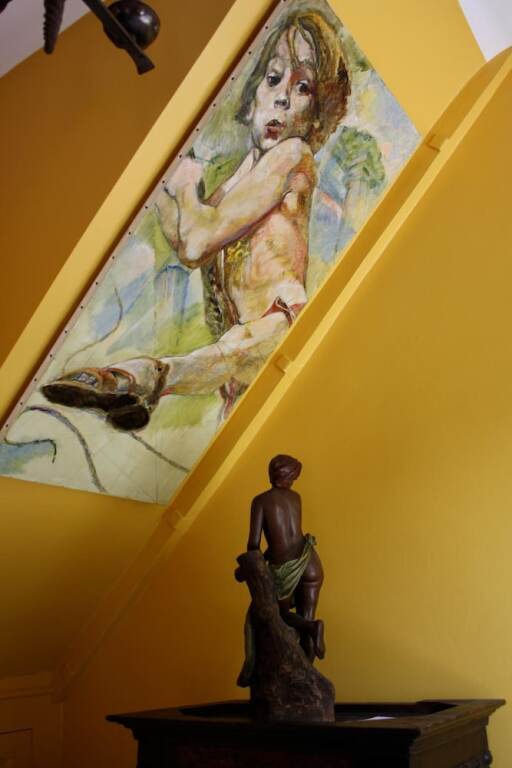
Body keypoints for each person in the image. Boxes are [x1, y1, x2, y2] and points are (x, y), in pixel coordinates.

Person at [42, 8, 351, 430]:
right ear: (252, 99)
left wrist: (186, 184)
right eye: (273, 78)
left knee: (228, 351)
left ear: (317, 113)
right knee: (229, 375)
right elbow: (184, 236)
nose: (281, 97)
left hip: (278, 323)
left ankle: (131, 378)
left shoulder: (293, 156)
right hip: (236, 357)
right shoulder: (234, 186)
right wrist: (167, 184)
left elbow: (194, 242)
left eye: (303, 88)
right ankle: (132, 388)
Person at [236, 454, 325, 686]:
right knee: (306, 614)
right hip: (309, 558)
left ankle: (311, 629)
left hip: (285, 566)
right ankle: (307, 676)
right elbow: (290, 536)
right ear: (290, 476)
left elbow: (253, 545)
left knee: (278, 614)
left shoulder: (260, 501)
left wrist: (246, 569)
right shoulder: (296, 497)